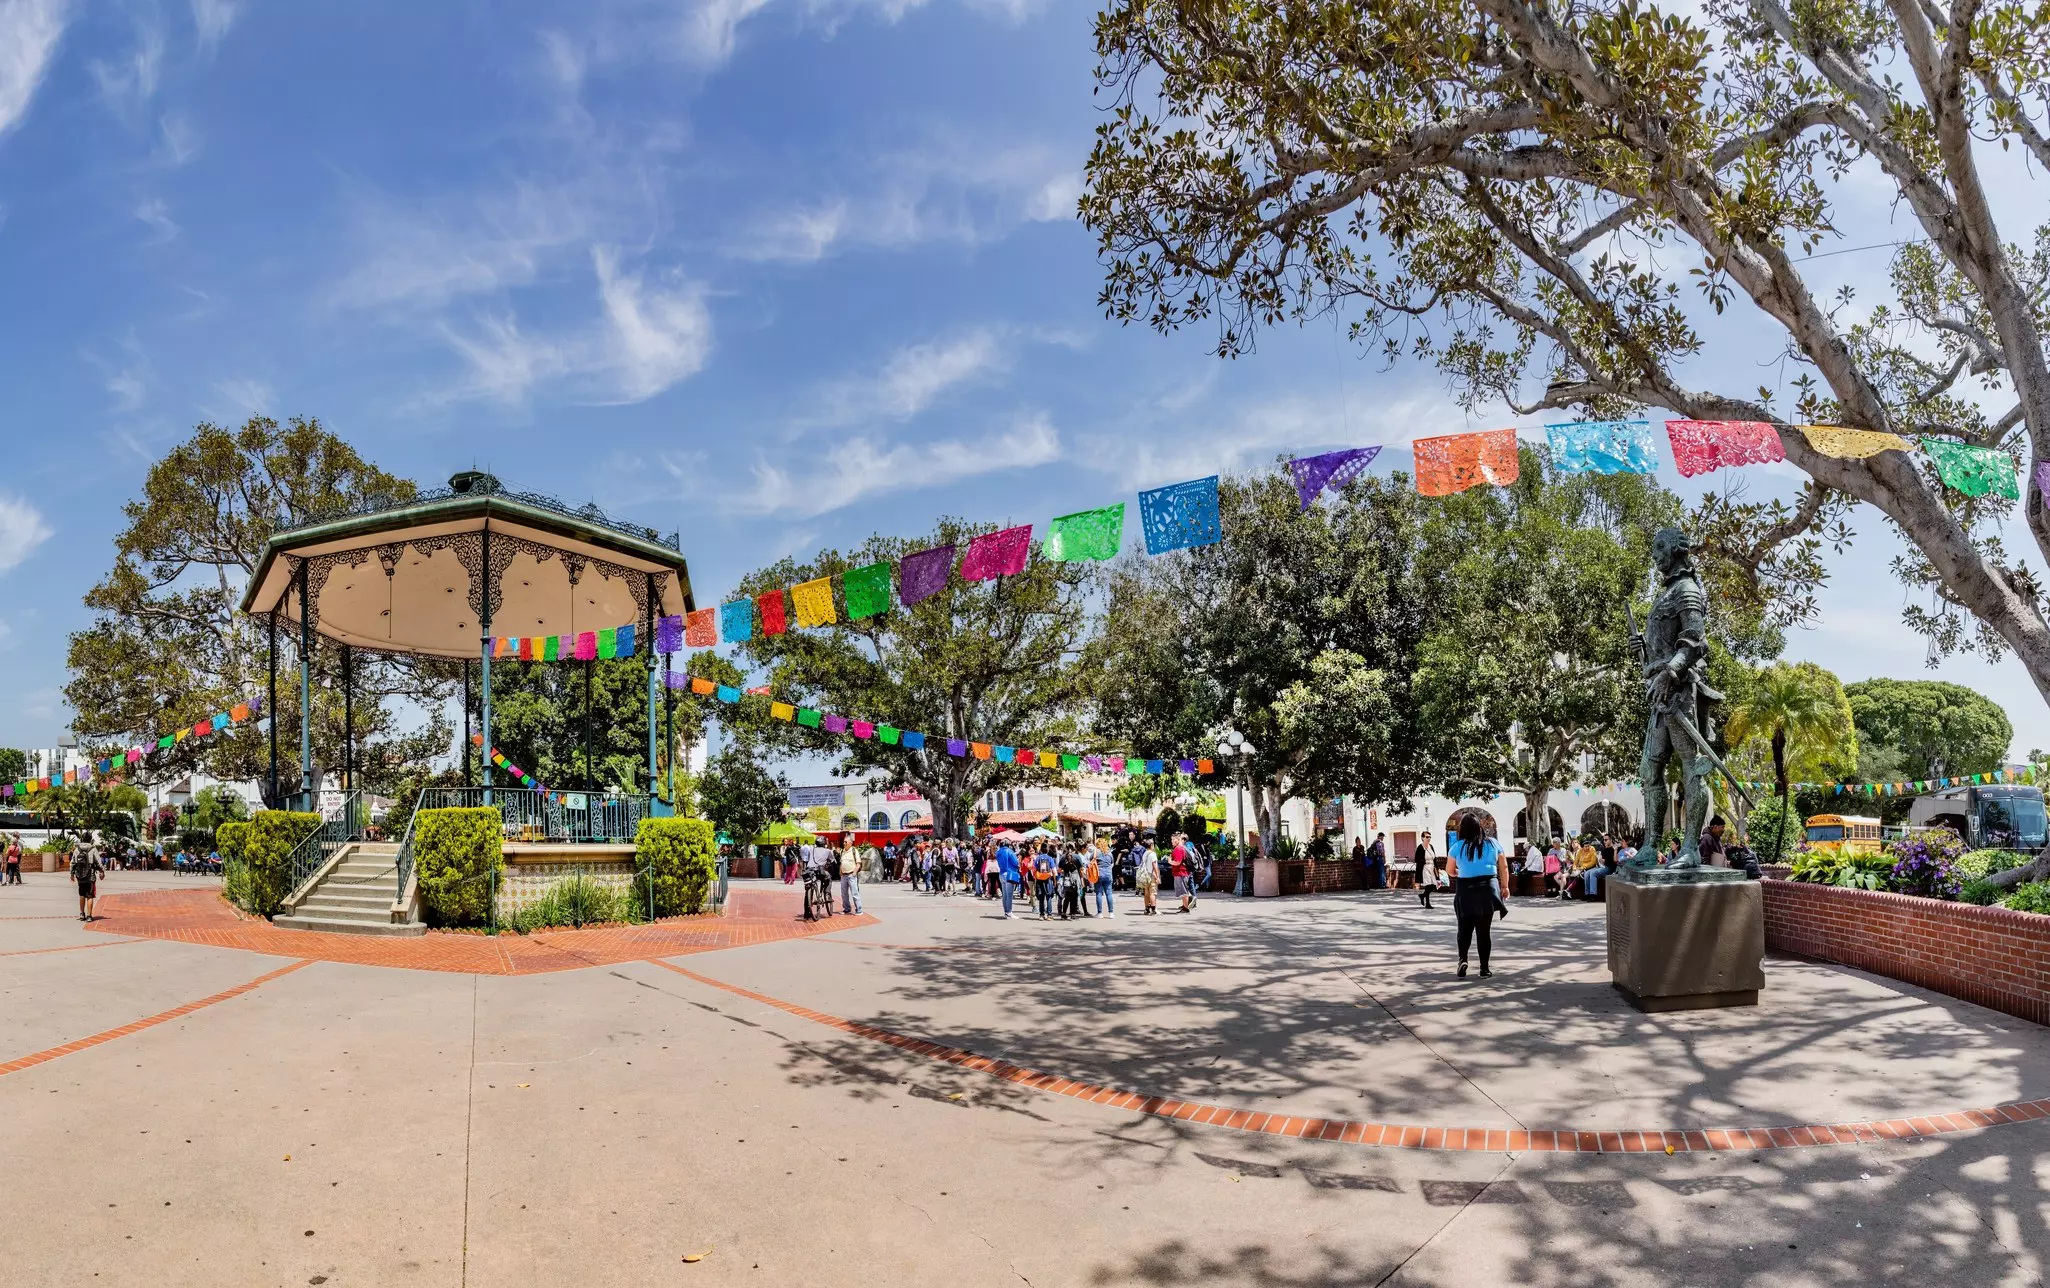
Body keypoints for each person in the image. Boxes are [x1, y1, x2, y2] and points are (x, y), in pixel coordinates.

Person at [1448, 814, 1508, 978]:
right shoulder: (1494, 844)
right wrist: (1505, 887)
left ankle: (1463, 959)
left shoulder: (1457, 847)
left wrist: (1460, 871)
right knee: (1484, 931)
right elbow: (1504, 867)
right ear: (1479, 827)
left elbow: (1450, 871)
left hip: (1465, 891)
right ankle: (1484, 969)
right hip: (1487, 890)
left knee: (1464, 928)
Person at [71, 843, 104, 922]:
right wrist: (101, 871)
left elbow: (73, 862)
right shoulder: (93, 849)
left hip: (80, 875)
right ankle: (89, 916)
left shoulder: (77, 849)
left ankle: (82, 914)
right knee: (90, 895)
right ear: (90, 840)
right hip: (90, 875)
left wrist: (72, 874)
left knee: (82, 894)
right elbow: (98, 862)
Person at [995, 838, 1021, 918]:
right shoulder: (1009, 851)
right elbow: (1015, 862)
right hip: (1009, 873)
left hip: (1001, 873)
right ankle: (1009, 912)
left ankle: (1006, 912)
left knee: (1005, 895)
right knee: (1009, 894)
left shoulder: (998, 852)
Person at [1089, 841, 1115, 917]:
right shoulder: (1109, 852)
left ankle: (1100, 913)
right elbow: (1112, 863)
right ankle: (1111, 913)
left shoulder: (1096, 852)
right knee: (1109, 893)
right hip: (1108, 874)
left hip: (1098, 874)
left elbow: (1090, 860)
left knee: (1099, 893)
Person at [1030, 847, 1057, 919]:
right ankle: (1049, 915)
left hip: (1039, 879)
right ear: (1048, 850)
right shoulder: (1050, 858)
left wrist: (1035, 879)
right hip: (1048, 879)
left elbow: (1034, 869)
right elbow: (1054, 870)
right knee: (1048, 897)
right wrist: (1054, 881)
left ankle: (1041, 915)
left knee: (1041, 897)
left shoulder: (1038, 858)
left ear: (1041, 850)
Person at [1134, 840, 1160, 914]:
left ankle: (1147, 909)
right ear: (1151, 845)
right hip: (1151, 875)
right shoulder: (1152, 854)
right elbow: (1154, 865)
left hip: (1145, 875)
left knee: (1146, 892)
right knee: (1153, 892)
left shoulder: (1145, 853)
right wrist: (1157, 876)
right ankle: (1154, 909)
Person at [1170, 833, 1194, 913]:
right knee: (1183, 891)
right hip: (1181, 872)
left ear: (1178, 839)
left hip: (1181, 872)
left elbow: (1178, 862)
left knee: (1183, 891)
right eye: (1172, 839)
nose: (1172, 841)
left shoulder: (1179, 848)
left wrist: (1170, 861)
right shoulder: (1180, 848)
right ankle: (1185, 906)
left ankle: (1186, 908)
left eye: (1173, 839)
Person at [1413, 831, 1437, 909]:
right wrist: (1424, 862)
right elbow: (1416, 859)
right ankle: (1428, 904)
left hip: (1432, 867)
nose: (1429, 838)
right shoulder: (1420, 847)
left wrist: (1437, 868)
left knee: (1434, 885)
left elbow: (1435, 858)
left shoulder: (1431, 846)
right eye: (1427, 837)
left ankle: (1422, 895)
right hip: (1424, 868)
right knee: (1428, 885)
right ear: (1422, 838)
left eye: (1430, 837)